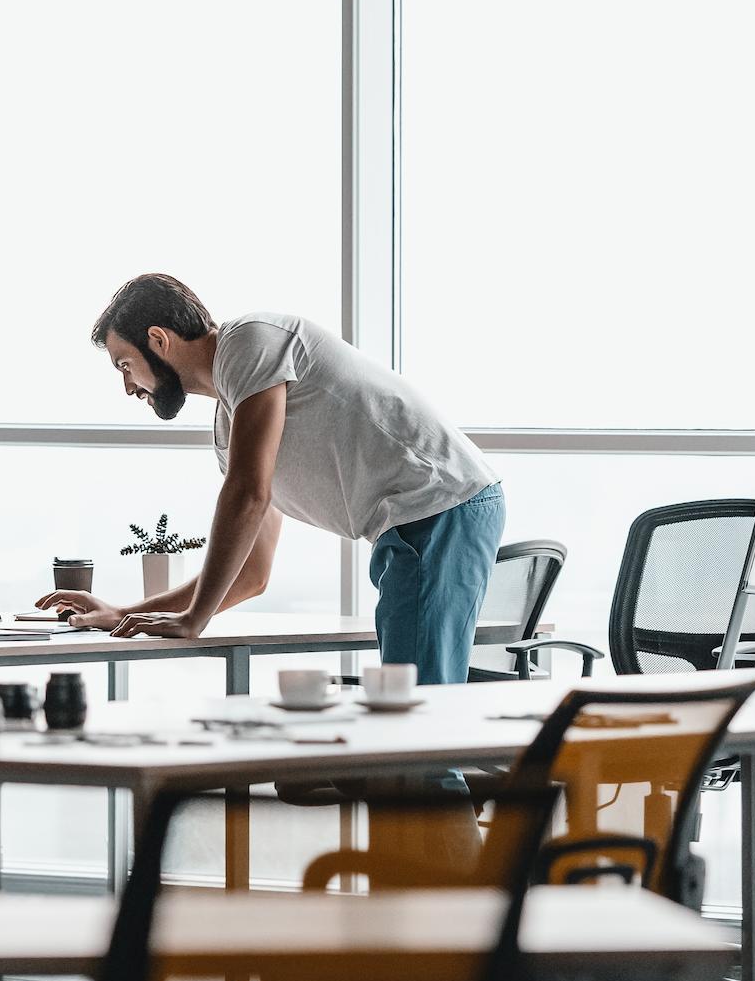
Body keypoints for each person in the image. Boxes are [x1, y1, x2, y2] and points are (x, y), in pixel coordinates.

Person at [39, 273, 504, 686]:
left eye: (124, 365)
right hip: (416, 524)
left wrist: (194, 618)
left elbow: (247, 494)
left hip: (439, 507)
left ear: (158, 340)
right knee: (408, 733)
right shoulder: (229, 427)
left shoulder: (250, 341)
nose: (128, 387)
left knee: (417, 737)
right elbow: (251, 574)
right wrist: (123, 612)